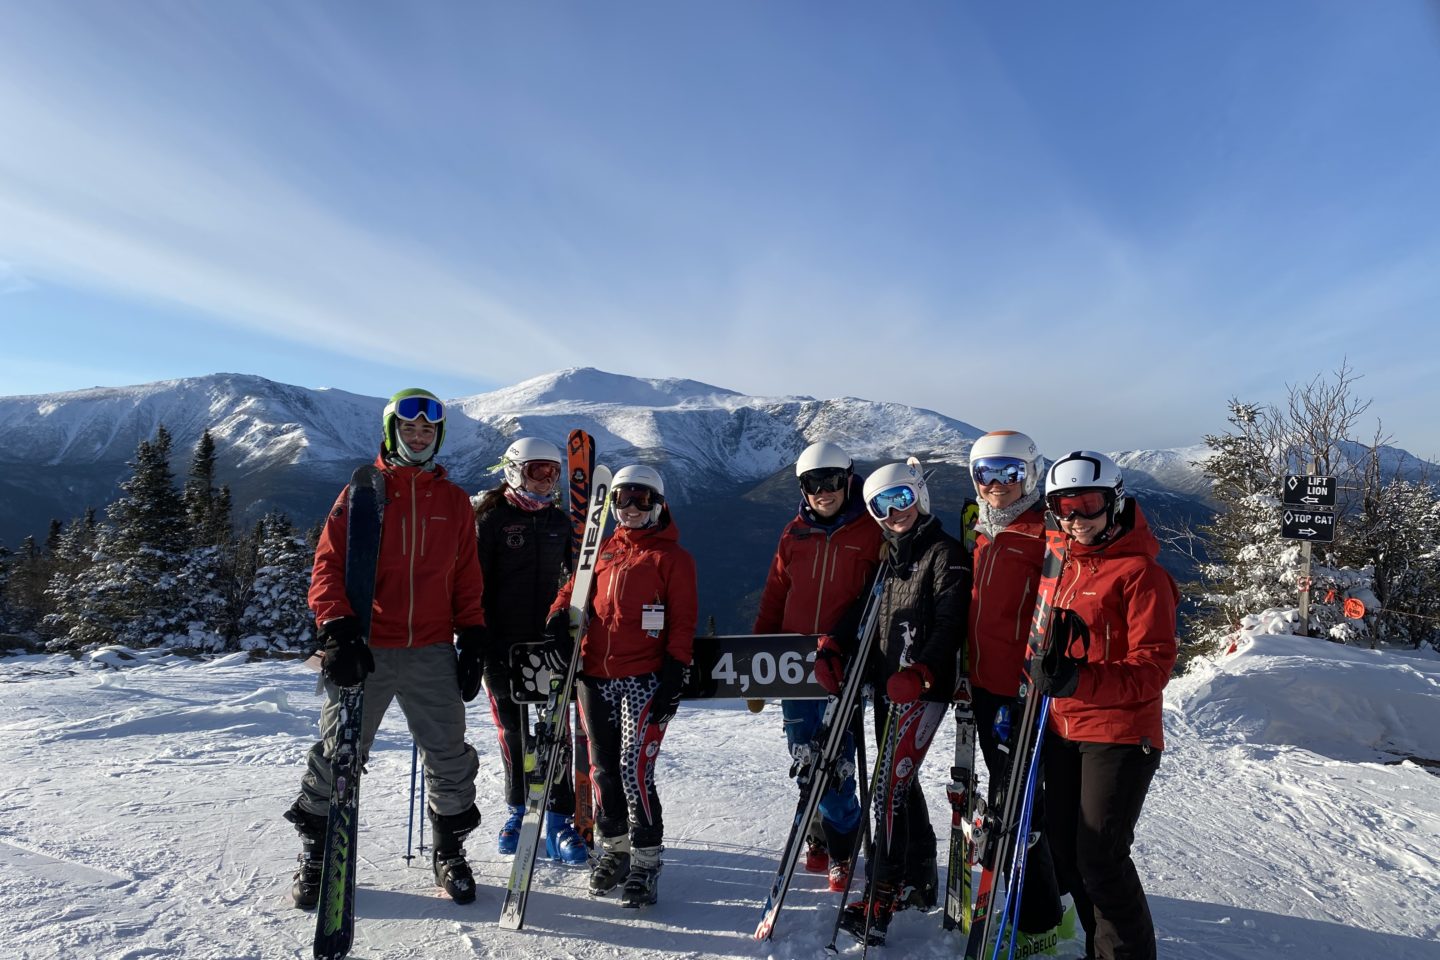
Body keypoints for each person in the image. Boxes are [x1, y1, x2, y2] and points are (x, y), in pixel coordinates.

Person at [285, 388, 489, 907]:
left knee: (449, 756)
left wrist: (474, 636)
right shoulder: (364, 492)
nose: (418, 437)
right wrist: (337, 631)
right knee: (339, 754)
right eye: (409, 429)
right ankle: (319, 855)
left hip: (433, 649)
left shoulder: (454, 502)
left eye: (427, 431)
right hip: (368, 647)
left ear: (437, 437)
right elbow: (328, 566)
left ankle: (448, 852)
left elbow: (467, 576)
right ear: (391, 431)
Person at [816, 459, 971, 944]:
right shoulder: (891, 557)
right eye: (881, 505)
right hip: (891, 688)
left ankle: (880, 897)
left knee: (887, 790)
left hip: (922, 691)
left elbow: (950, 621)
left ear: (919, 497)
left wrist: (923, 670)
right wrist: (835, 643)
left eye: (901, 499)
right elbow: (863, 608)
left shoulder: (945, 554)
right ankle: (914, 877)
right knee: (897, 787)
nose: (893, 512)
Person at [1035, 451, 1178, 960]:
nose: (1076, 517)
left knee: (1101, 858)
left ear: (1114, 502)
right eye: (1063, 506)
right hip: (1061, 726)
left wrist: (1079, 678)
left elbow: (1153, 668)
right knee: (1066, 854)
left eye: (1088, 503)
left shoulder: (1141, 574)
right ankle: (1103, 948)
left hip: (1120, 733)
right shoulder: (1061, 562)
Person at [540, 463, 698, 908]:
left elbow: (683, 621)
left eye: (641, 499)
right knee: (602, 770)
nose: (630, 508)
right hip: (594, 676)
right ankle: (615, 851)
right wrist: (557, 617)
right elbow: (571, 592)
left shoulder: (673, 559)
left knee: (634, 771)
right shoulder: (603, 550)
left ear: (658, 505)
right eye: (622, 499)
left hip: (643, 678)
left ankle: (646, 860)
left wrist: (674, 671)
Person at [753, 441, 883, 892]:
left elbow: (879, 597)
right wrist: (755, 663)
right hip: (793, 662)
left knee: (836, 760)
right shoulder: (794, 533)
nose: (823, 492)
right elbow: (774, 597)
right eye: (813, 483)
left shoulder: (871, 531)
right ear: (803, 488)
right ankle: (819, 835)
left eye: (831, 482)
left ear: (848, 481)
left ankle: (842, 848)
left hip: (841, 665)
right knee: (803, 756)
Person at [967, 430, 1064, 935]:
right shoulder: (980, 530)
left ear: (1029, 473)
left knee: (1018, 808)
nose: (997, 484)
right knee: (1016, 801)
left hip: (1022, 691)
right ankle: (1042, 907)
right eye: (986, 473)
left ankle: (1039, 919)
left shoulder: (1043, 532)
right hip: (984, 686)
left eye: (1009, 473)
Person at [473, 437, 587, 865]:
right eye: (537, 471)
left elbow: (576, 577)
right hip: (501, 643)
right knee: (513, 732)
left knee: (555, 731)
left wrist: (571, 621)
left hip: (548, 644)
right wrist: (474, 639)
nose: (546, 481)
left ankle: (558, 820)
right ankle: (519, 812)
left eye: (553, 473)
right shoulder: (492, 520)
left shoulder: (558, 521)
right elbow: (472, 585)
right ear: (514, 471)